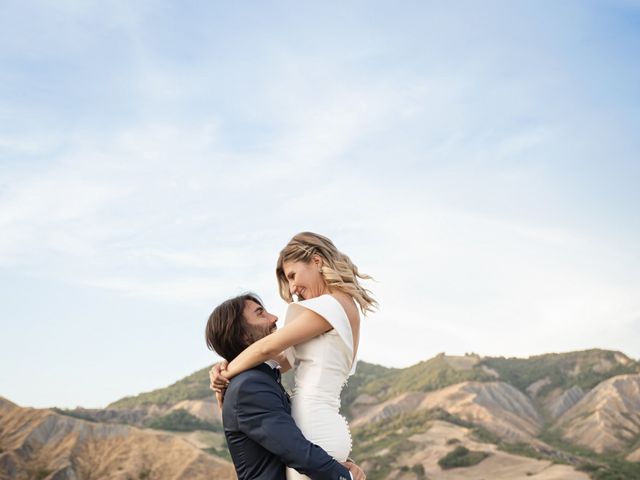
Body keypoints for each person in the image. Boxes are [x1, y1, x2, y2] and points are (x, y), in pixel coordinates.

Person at [211, 232, 376, 480]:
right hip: (318, 426)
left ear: (317, 262)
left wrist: (227, 372)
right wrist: (223, 373)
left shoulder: (329, 305)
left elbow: (266, 349)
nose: (292, 288)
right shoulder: (335, 309)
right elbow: (280, 361)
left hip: (314, 428)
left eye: (292, 275)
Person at [205, 292, 364, 480]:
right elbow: (294, 449)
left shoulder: (259, 380)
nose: (274, 318)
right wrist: (345, 476)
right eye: (260, 314)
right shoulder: (249, 386)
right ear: (243, 335)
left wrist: (340, 464)